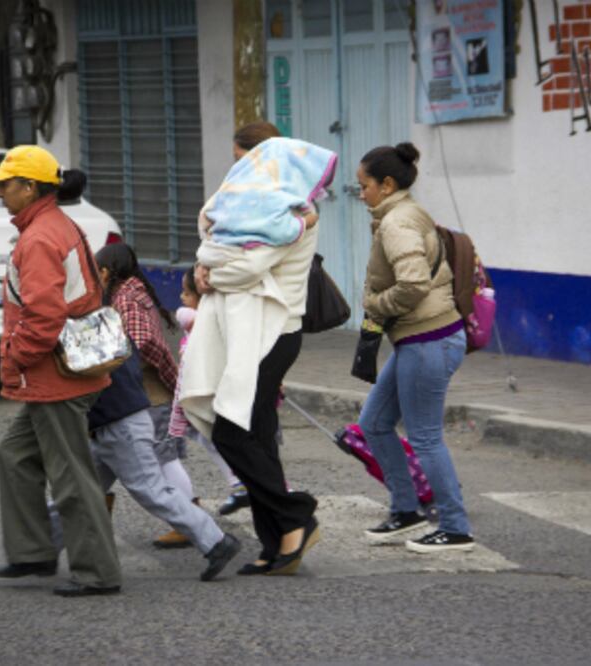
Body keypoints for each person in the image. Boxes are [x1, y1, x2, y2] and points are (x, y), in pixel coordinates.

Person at [181, 126, 336, 576]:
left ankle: (296, 514)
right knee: (260, 436)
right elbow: (208, 239)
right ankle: (277, 540)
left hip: (271, 334)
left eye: (245, 160)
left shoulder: (294, 216)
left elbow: (244, 269)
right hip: (246, 332)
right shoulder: (251, 212)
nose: (240, 170)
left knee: (231, 433)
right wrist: (204, 264)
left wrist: (209, 272)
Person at [0, 145, 122, 597]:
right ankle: (32, 553)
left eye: (5, 184)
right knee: (16, 456)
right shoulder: (55, 224)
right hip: (63, 368)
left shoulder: (39, 237)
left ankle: (97, 573)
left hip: (54, 374)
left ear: (29, 187)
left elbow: (43, 318)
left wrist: (14, 359)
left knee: (72, 476)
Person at [354, 142, 475, 553]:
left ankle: (455, 527)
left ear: (387, 185)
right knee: (374, 423)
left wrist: (375, 305)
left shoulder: (397, 223)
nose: (361, 194)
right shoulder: (404, 214)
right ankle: (406, 510)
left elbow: (414, 283)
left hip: (429, 339)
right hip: (420, 339)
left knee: (425, 437)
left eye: (365, 185)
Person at [86, 336, 241, 582]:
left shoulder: (99, 320)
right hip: (110, 421)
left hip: (120, 421)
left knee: (152, 489)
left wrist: (173, 383)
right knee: (79, 490)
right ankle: (38, 548)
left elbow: (148, 343)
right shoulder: (101, 321)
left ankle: (217, 542)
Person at [93, 242, 200, 549]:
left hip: (149, 395)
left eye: (97, 271)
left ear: (107, 272)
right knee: (107, 459)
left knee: (164, 459)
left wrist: (121, 362)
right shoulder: (129, 293)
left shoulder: (127, 298)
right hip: (139, 395)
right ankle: (94, 516)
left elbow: (144, 342)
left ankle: (191, 522)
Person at [168, 267, 250, 515]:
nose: (181, 298)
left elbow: (185, 315)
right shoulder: (201, 318)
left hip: (212, 391)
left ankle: (265, 488)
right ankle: (240, 484)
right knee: (208, 437)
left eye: (186, 293)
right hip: (203, 390)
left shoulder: (199, 318)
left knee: (230, 440)